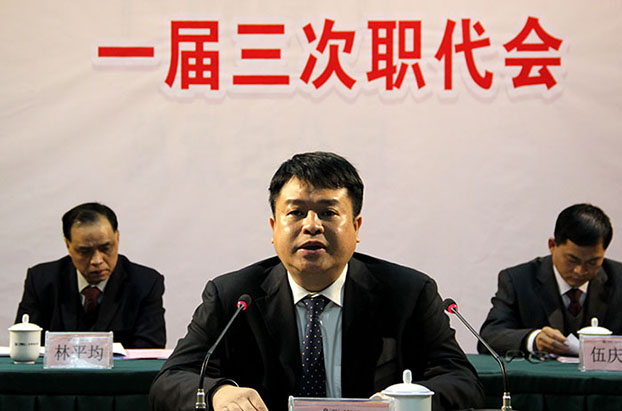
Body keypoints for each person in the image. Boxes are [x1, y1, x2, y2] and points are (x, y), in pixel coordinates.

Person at [150, 152, 484, 411]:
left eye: (328, 212)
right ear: (274, 228)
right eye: (296, 212)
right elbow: (171, 380)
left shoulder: (407, 293)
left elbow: (461, 380)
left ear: (356, 226)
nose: (312, 226)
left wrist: (406, 402)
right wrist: (217, 393)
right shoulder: (234, 297)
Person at [15, 202, 166, 348]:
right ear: (68, 245)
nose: (97, 260)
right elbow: (24, 344)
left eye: (106, 248)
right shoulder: (41, 281)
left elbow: (149, 351)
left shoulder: (145, 284)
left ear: (117, 238)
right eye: (85, 251)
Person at [479, 203, 622, 356]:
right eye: (572, 260)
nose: (580, 270)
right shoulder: (519, 280)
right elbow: (489, 338)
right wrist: (534, 339)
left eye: (592, 262)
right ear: (552, 245)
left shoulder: (618, 278)